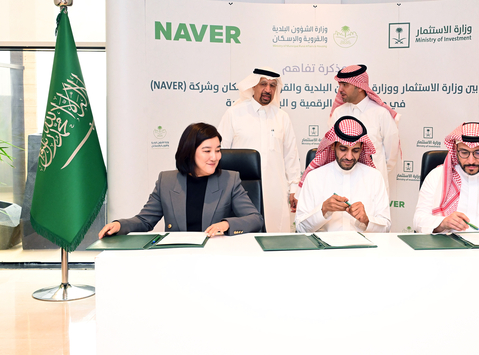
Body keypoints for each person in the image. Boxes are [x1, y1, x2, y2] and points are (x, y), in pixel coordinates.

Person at [99, 122, 263, 238]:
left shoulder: (230, 180)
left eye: (218, 150)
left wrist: (226, 225)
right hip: (178, 257)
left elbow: (255, 219)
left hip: (215, 256)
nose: (215, 157)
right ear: (189, 152)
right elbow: (145, 220)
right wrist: (119, 225)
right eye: (207, 151)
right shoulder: (166, 181)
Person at [218, 67, 301, 233]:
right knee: (243, 236)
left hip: (275, 190)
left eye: (272, 85)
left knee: (276, 237)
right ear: (253, 85)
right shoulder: (234, 114)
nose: (268, 89)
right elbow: (221, 153)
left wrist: (294, 188)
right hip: (240, 190)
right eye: (263, 84)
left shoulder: (282, 117)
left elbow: (290, 156)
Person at [296, 116, 391, 233]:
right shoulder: (314, 177)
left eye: (355, 150)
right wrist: (323, 210)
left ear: (362, 148)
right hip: (324, 245)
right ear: (333, 146)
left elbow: (386, 228)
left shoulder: (374, 177)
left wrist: (367, 221)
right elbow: (301, 229)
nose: (349, 157)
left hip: (362, 245)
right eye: (343, 149)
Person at [328, 64, 400, 192]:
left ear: (360, 87)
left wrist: (376, 173)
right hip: (343, 184)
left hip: (373, 186)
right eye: (339, 85)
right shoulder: (338, 113)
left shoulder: (381, 113)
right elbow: (331, 149)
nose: (340, 89)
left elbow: (391, 155)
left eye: (345, 85)